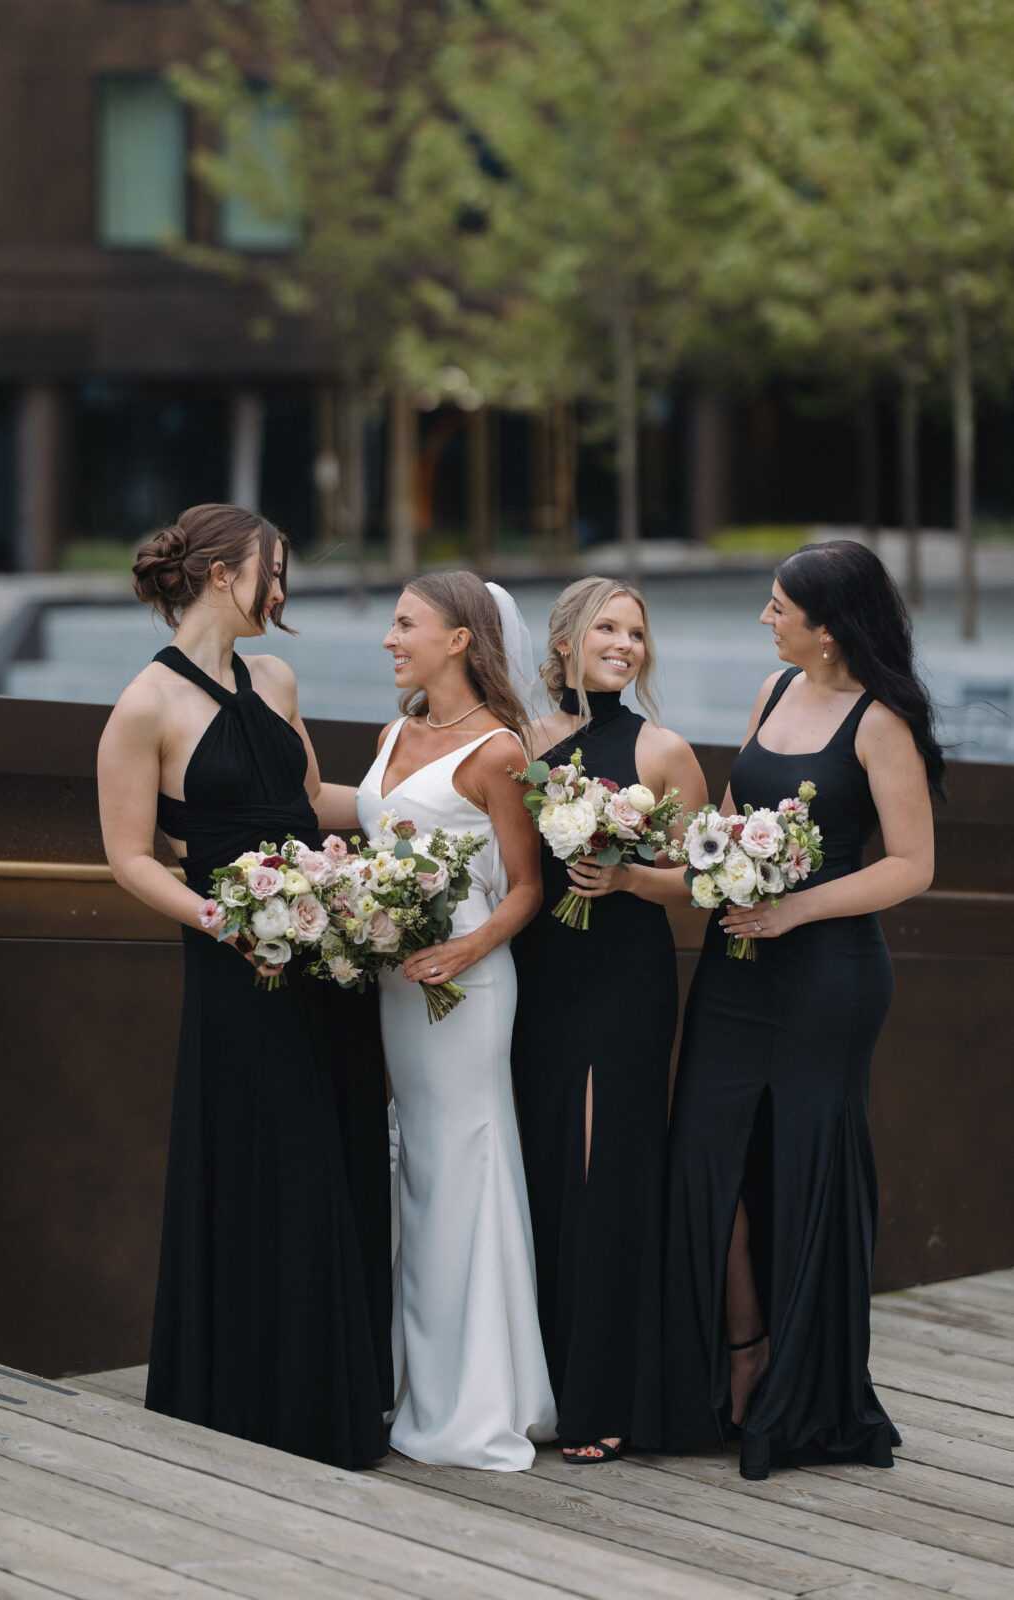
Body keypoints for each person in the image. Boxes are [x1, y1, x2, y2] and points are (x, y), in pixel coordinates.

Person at [98, 503, 389, 1469]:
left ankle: (328, 1397)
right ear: (224, 572)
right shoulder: (144, 704)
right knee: (275, 1156)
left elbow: (310, 805)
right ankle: (252, 1400)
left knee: (334, 1144)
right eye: (275, 571)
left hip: (325, 956)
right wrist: (228, 922)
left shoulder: (276, 677)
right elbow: (132, 858)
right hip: (236, 964)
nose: (282, 591)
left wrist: (435, 802)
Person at [662, 539, 943, 1480]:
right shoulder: (771, 693)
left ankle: (807, 1392)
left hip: (828, 972)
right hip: (736, 965)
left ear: (826, 627)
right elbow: (735, 818)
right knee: (710, 1152)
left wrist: (795, 906)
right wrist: (676, 861)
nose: (763, 618)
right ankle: (737, 1359)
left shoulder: (880, 721)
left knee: (804, 1163)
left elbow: (912, 866)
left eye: (778, 606)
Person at [355, 572, 558, 1470]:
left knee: (463, 1169)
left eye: (406, 623)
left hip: (465, 990)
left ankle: (475, 1403)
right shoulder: (395, 730)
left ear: (459, 639)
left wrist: (462, 953)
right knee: (415, 1173)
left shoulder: (499, 750)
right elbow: (373, 822)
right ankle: (412, 1382)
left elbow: (525, 890)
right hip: (396, 988)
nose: (390, 637)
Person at [511, 576, 707, 1463]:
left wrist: (628, 877)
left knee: (605, 1169)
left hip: (623, 983)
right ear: (563, 644)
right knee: (542, 1169)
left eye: (637, 631)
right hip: (535, 978)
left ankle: (605, 1393)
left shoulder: (663, 750)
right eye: (607, 628)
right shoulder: (517, 744)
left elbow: (704, 879)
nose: (626, 644)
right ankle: (538, 1384)